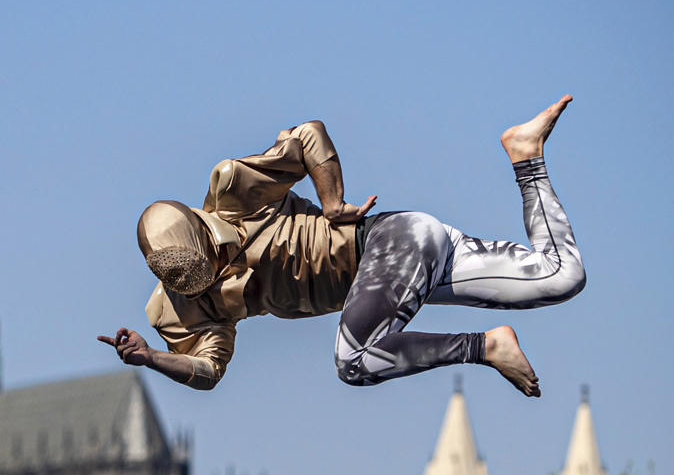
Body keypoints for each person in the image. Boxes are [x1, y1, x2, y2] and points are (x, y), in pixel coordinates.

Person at [98, 96, 584, 397]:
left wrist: (331, 204)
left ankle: (485, 346)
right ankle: (527, 156)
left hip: (389, 246)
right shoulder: (181, 308)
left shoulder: (233, 190)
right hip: (411, 269)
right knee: (562, 275)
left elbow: (309, 135)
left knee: (353, 361)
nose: (219, 274)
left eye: (216, 259)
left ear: (204, 229)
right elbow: (208, 370)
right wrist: (151, 359)